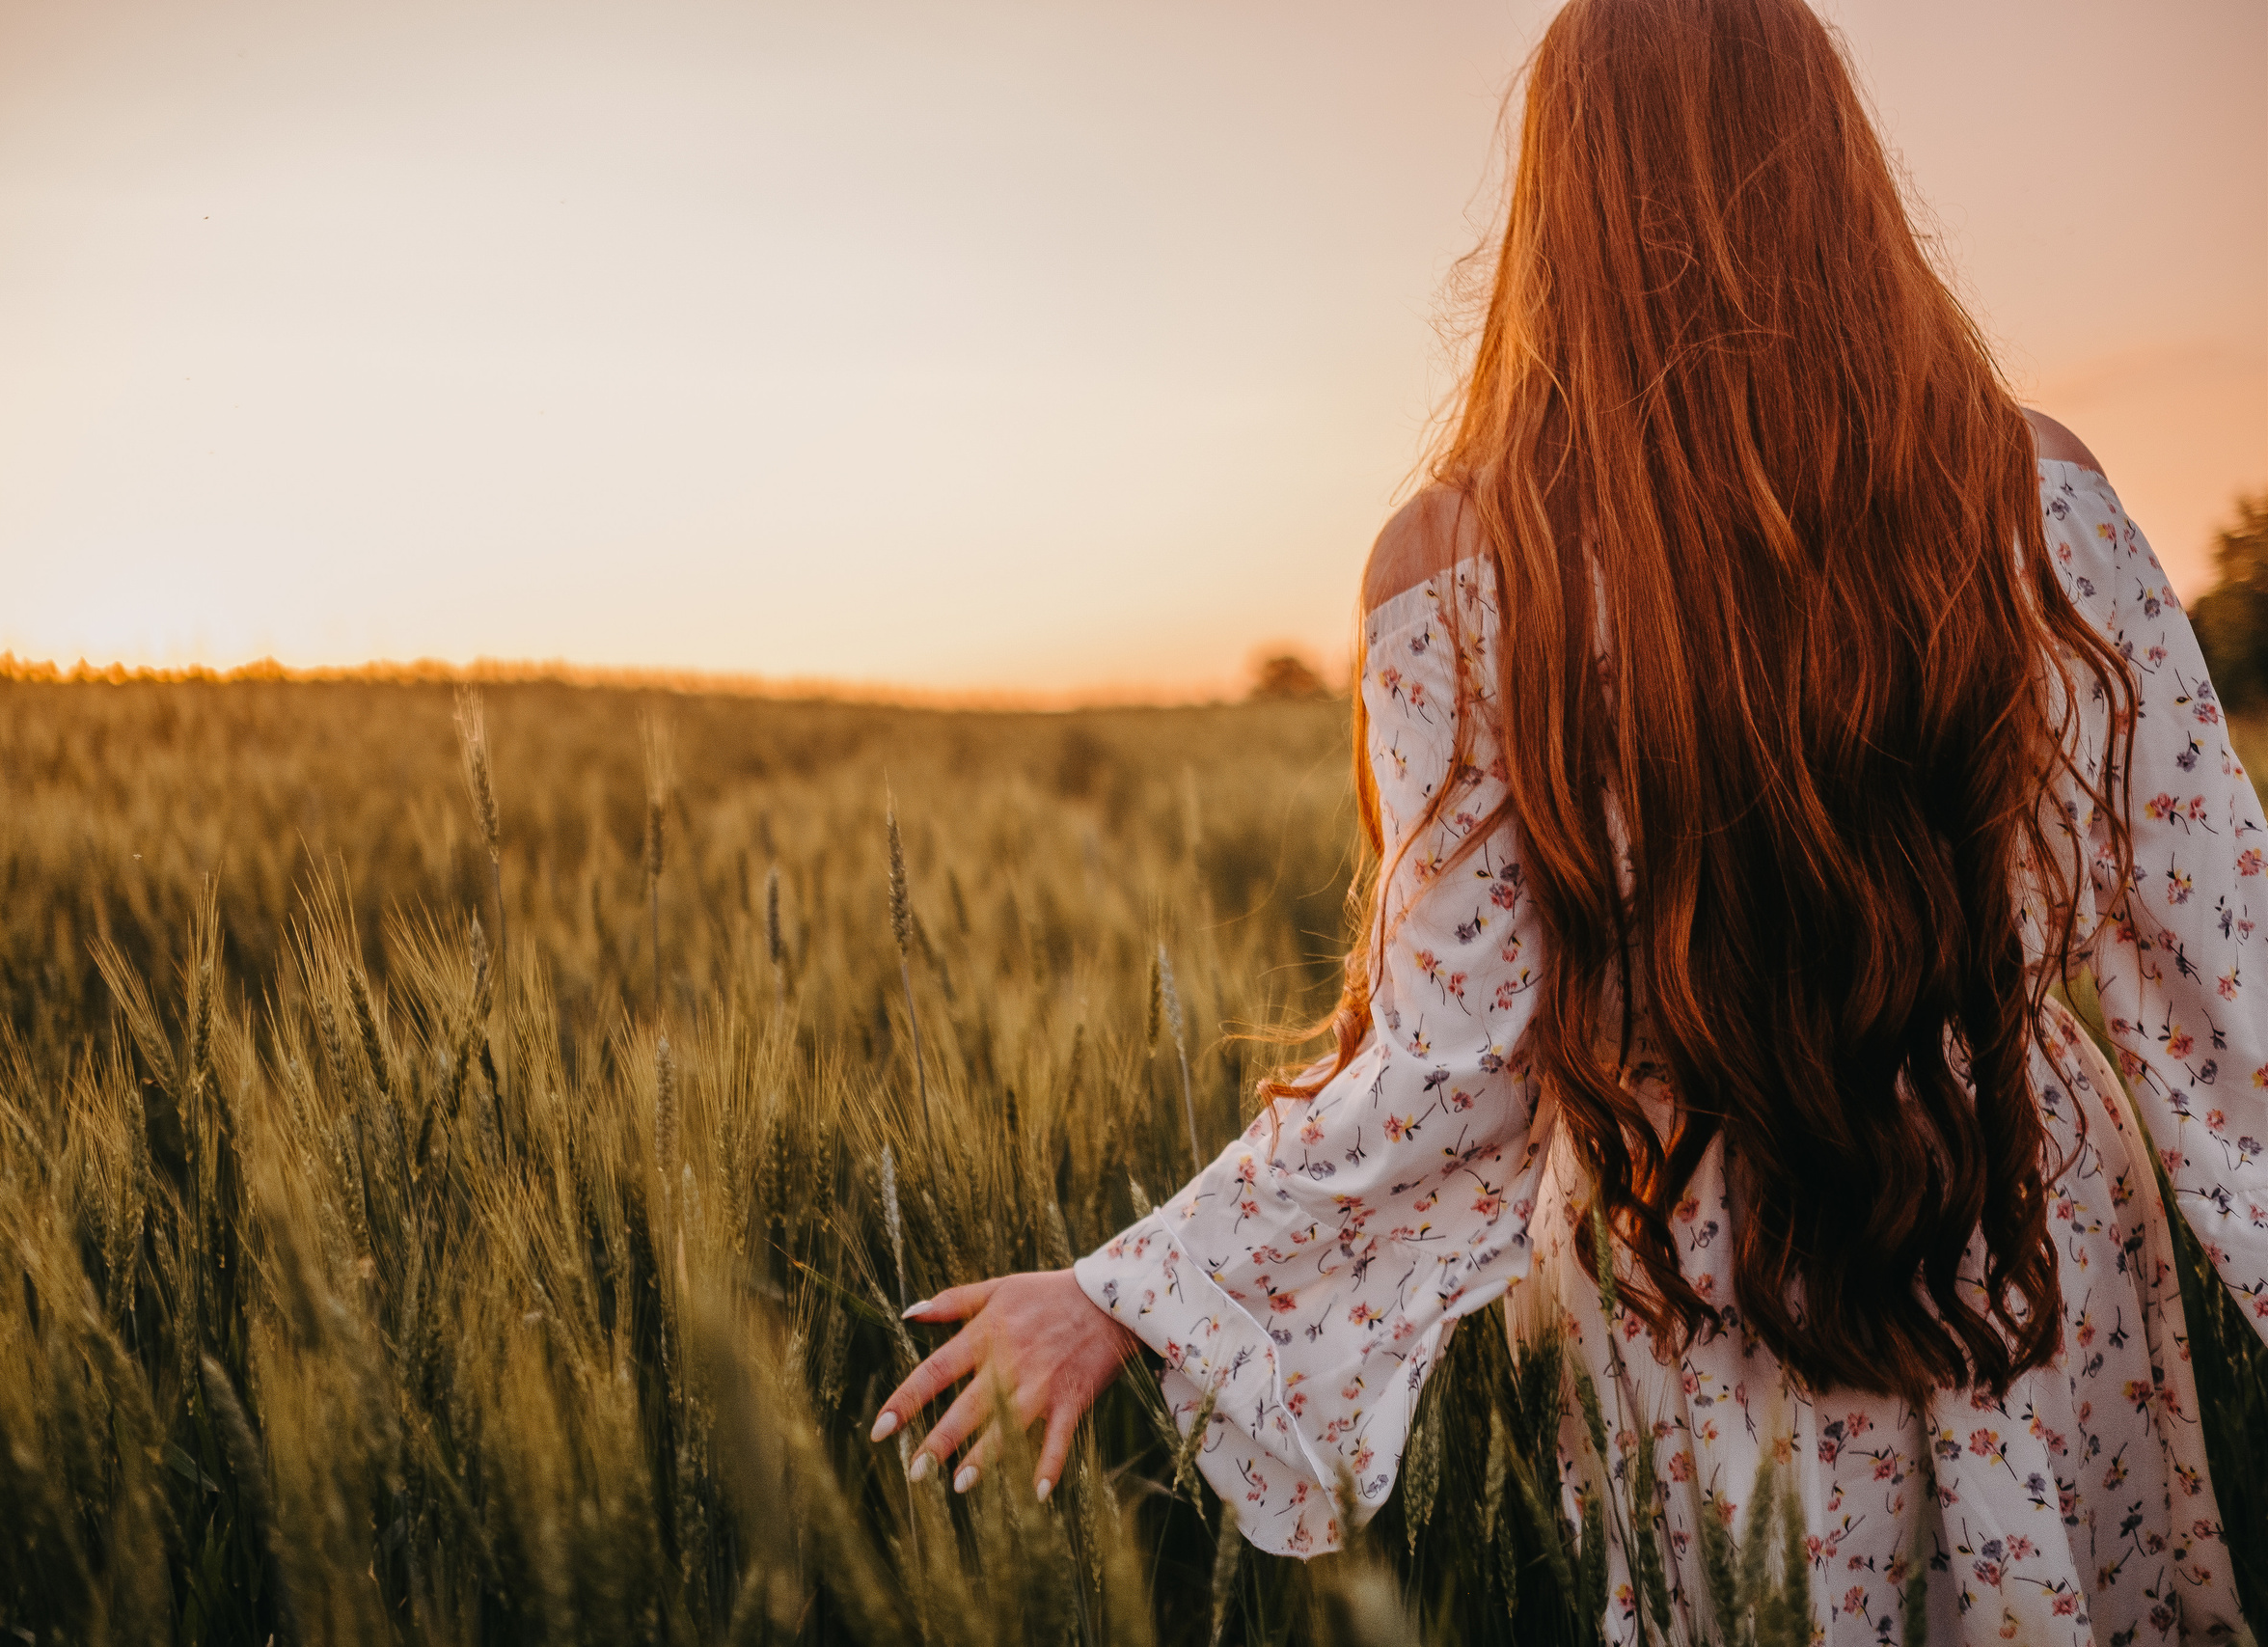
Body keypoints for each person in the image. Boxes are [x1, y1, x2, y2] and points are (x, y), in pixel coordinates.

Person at [868, 0, 2268, 1637]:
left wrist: (1130, 1291)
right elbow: (2220, 956)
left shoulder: (1461, 570)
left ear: (1564, 203)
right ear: (1835, 168)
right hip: (2016, 1218)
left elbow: (1451, 1062)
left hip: (1693, 1265)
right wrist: (1135, 1293)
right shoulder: (2033, 488)